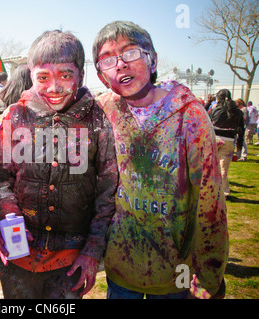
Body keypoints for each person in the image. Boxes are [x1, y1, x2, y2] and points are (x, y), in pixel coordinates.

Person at [93, 20, 228, 299]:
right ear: (101, 76)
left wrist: (208, 276)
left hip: (175, 271)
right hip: (121, 268)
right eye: (107, 60)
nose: (120, 64)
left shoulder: (189, 117)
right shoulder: (105, 109)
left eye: (130, 53)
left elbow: (210, 201)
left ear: (152, 60)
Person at [0, 30, 118, 299]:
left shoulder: (98, 121)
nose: (54, 87)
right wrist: (8, 217)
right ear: (31, 75)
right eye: (43, 78)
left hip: (70, 260)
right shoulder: (15, 116)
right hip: (19, 256)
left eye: (65, 75)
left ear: (80, 76)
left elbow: (108, 193)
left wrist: (92, 251)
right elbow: (2, 179)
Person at [209, 89, 245, 198]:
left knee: (213, 167)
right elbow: (241, 129)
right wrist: (239, 146)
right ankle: (224, 191)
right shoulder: (238, 112)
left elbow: (208, 123)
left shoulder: (215, 109)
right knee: (223, 169)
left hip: (215, 139)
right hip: (228, 140)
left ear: (218, 98)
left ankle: (221, 191)